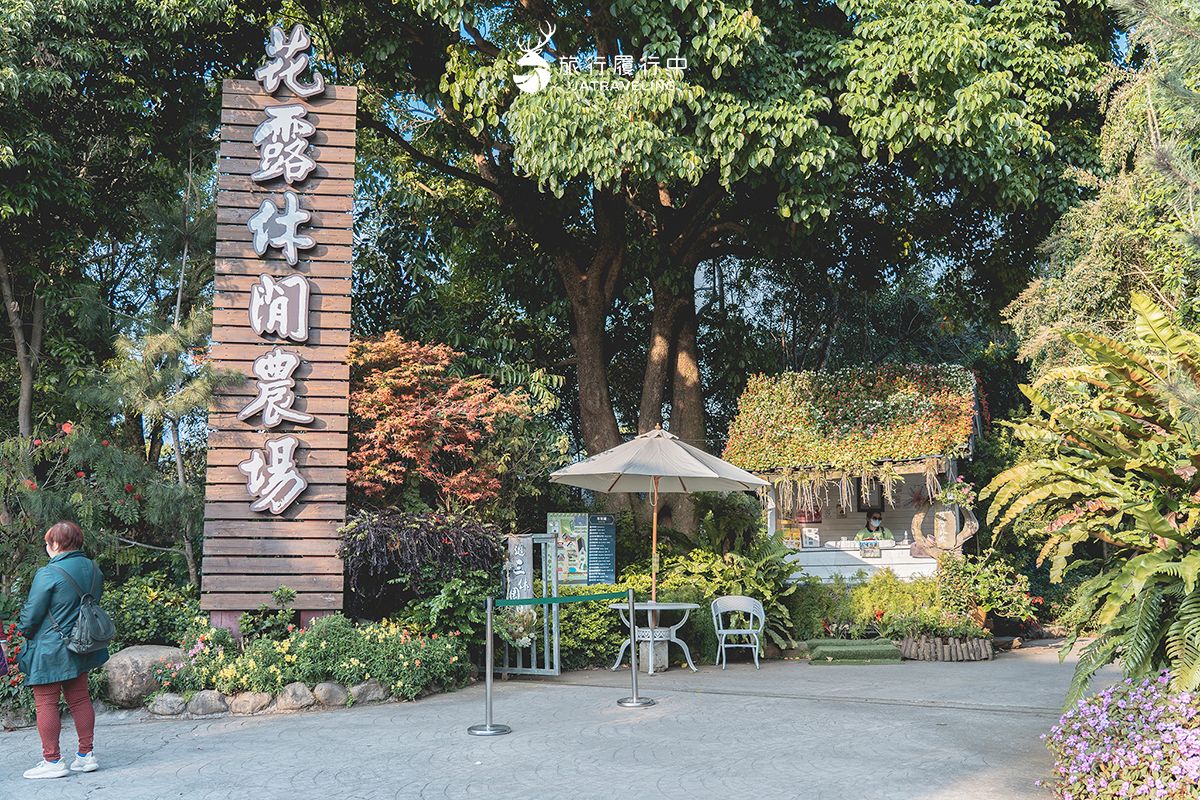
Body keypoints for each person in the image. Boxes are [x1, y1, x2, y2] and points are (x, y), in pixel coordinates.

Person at [15, 521, 108, 780]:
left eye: (48, 542)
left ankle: (52, 760)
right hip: (83, 642)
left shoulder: (48, 573)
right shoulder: (93, 568)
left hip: (50, 648)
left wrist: (23, 631)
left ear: (56, 544)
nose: (46, 547)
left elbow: (31, 616)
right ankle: (86, 756)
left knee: (46, 702)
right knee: (79, 699)